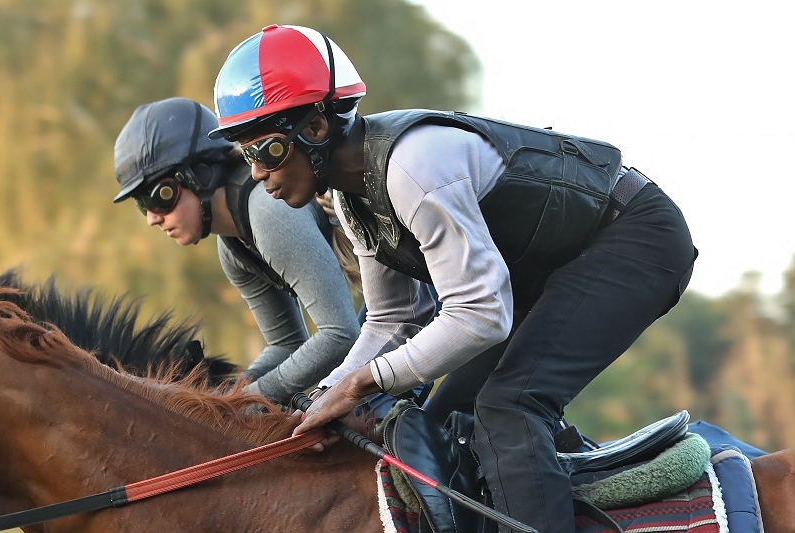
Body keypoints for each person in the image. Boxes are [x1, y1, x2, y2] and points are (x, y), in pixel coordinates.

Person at [209, 25, 698, 533]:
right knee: (438, 424)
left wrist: (360, 383)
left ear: (315, 128)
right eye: (246, 156)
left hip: (635, 236)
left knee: (509, 407)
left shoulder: (413, 167)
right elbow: (392, 318)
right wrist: (325, 393)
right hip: (550, 269)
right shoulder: (351, 198)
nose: (257, 173)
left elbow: (482, 314)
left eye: (265, 152)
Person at [112, 97, 362, 406]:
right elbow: (286, 345)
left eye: (157, 197)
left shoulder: (268, 213)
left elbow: (340, 335)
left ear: (200, 174)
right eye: (142, 206)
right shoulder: (232, 247)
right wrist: (226, 392)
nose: (152, 218)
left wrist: (242, 403)